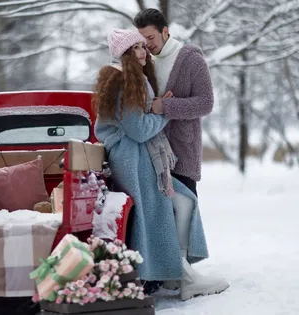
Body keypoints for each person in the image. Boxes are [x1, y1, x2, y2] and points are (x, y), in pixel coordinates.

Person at [93, 28, 227, 301]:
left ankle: (178, 272)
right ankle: (179, 276)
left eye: (144, 46)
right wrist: (164, 112)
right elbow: (139, 129)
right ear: (125, 54)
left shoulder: (128, 78)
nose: (143, 52)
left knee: (181, 202)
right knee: (156, 214)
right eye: (136, 49)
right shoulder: (123, 81)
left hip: (137, 157)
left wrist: (160, 108)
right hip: (134, 158)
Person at [133, 9, 229, 295]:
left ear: (165, 31)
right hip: (152, 150)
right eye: (141, 39)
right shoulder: (143, 62)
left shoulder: (190, 58)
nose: (146, 44)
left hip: (182, 149)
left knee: (184, 209)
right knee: (160, 213)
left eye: (150, 37)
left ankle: (183, 274)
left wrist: (167, 107)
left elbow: (205, 103)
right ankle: (166, 273)